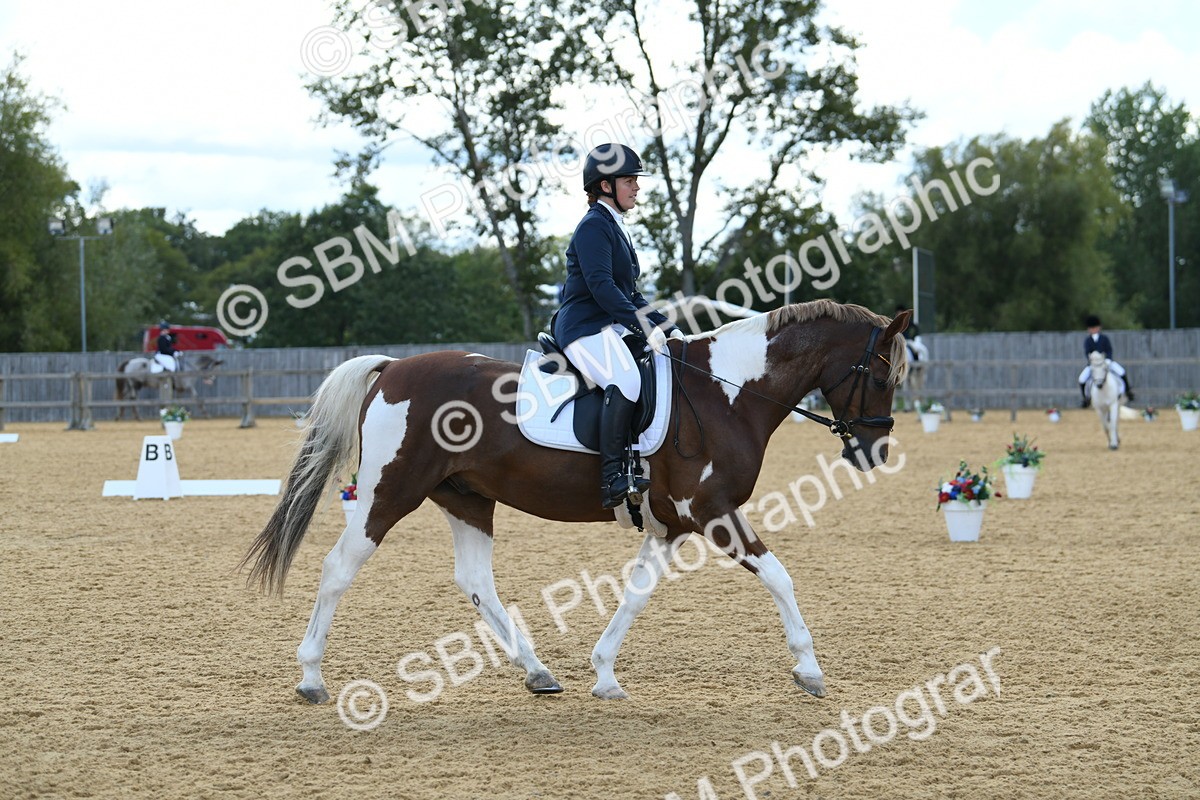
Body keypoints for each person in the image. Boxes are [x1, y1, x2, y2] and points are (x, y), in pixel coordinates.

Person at [553, 143, 683, 509]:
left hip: (608, 326)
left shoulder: (615, 226)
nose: (637, 188)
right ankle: (612, 476)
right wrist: (643, 327)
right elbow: (603, 288)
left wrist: (665, 325)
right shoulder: (594, 226)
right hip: (583, 327)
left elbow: (631, 293)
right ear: (606, 186)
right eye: (629, 181)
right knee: (625, 379)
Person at [1078, 314, 1133, 406]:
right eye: (1090, 328)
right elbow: (1087, 352)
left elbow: (1109, 350)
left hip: (1106, 362)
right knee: (1081, 379)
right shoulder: (1088, 341)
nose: (1092, 329)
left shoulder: (1104, 338)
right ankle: (1086, 398)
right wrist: (1092, 361)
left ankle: (1128, 392)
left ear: (1098, 327)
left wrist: (1108, 359)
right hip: (1094, 364)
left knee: (1121, 372)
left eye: (1094, 327)